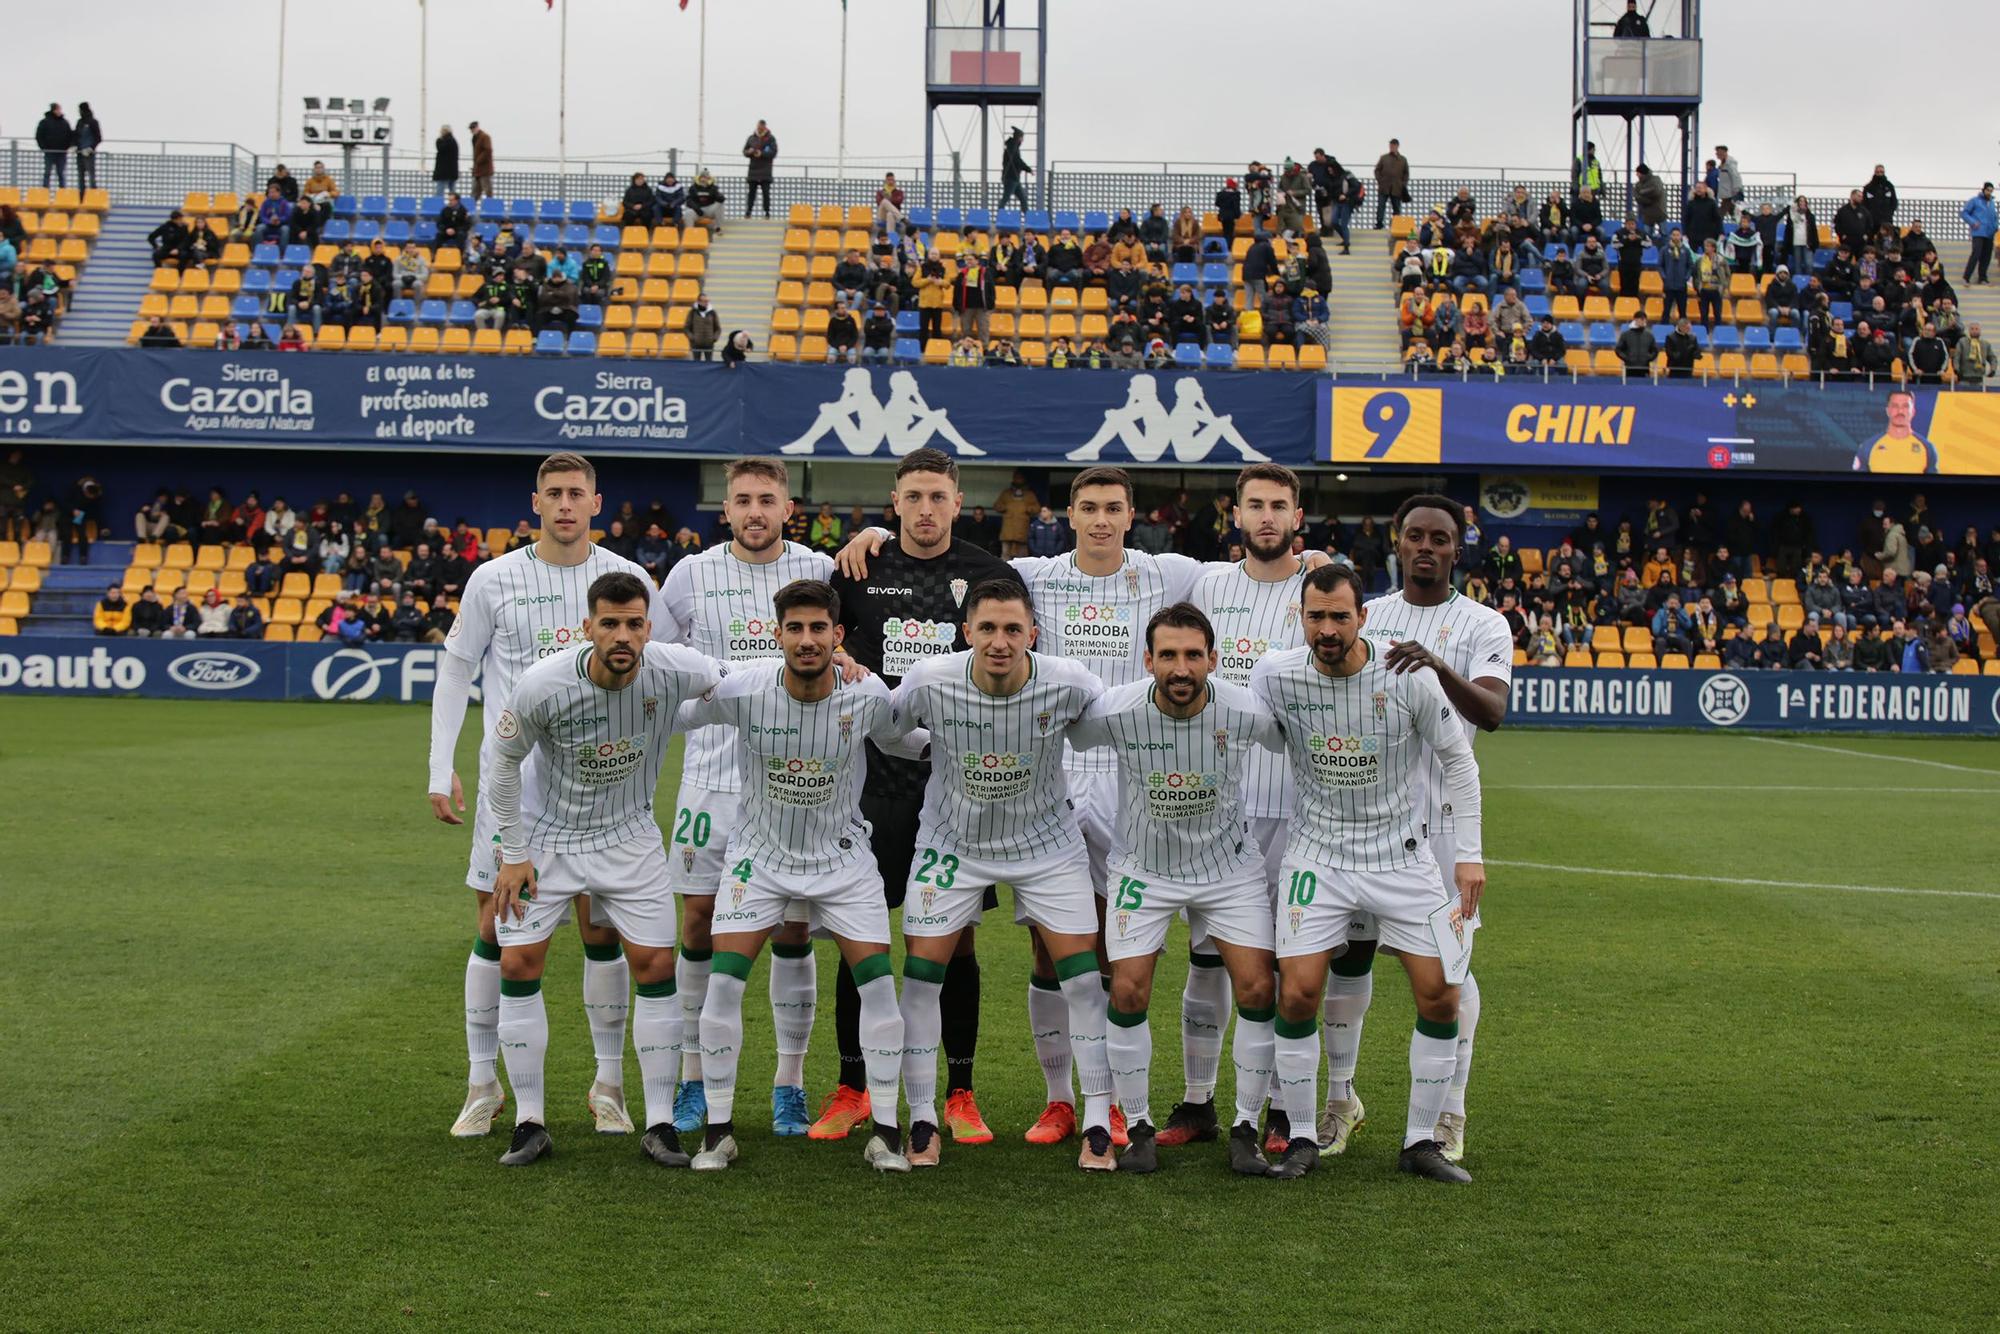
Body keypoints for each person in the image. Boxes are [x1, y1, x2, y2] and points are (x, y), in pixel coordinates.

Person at [427, 453, 662, 1142]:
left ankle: (608, 1085)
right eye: (554, 493)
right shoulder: (493, 578)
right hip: (516, 793)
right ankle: (482, 1083)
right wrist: (441, 768)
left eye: (576, 493)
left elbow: (658, 677)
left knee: (601, 932)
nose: (565, 504)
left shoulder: (627, 579)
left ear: (598, 502)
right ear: (536, 502)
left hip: (601, 795)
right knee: (497, 933)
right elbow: (457, 670)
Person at [792, 450, 1025, 1145]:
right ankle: (853, 1087)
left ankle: (959, 1092)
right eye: (914, 496)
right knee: (858, 940)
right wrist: (840, 659)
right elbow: (817, 637)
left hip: (954, 789)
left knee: (954, 946)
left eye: (939, 496)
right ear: (895, 501)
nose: (926, 509)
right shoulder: (859, 568)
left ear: (959, 502)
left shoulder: (991, 575)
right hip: (866, 785)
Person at [673, 579, 918, 1173]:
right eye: (795, 628)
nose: (806, 640)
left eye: (818, 629)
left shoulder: (866, 693)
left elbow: (907, 743)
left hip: (843, 860)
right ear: (777, 633)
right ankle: (719, 1132)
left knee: (879, 988)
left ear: (839, 636)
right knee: (725, 984)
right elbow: (676, 714)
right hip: (758, 859)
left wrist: (975, 731)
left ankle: (886, 1132)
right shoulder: (744, 688)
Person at [1251, 563, 1485, 1184]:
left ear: (1364, 616)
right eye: (1316, 616)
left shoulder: (1407, 676)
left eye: (1340, 616)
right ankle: (1301, 1134)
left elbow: (1458, 762)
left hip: (1402, 859)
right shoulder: (1275, 675)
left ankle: (1420, 1142)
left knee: (1441, 994)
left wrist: (1470, 853)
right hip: (1317, 857)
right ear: (1300, 617)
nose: (1327, 629)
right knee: (1297, 993)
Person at [482, 571, 722, 1169]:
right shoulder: (542, 684)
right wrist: (513, 853)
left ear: (649, 627)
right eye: (609, 623)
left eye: (635, 623)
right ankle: (528, 1121)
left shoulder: (674, 667)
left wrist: (835, 666)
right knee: (517, 960)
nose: (623, 635)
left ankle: (661, 1123)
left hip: (630, 836)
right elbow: (502, 762)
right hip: (549, 838)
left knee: (655, 964)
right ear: (587, 627)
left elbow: (738, 684)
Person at [887, 580, 1113, 1169]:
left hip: (1047, 846)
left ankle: (1094, 1120)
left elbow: (1102, 727)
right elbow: (890, 731)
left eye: (1013, 629)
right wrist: (930, 751)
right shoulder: (930, 679)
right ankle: (921, 1120)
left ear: (1033, 634)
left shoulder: (1069, 680)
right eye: (987, 628)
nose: (1000, 641)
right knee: (920, 978)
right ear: (966, 633)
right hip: (951, 845)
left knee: (1084, 980)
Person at [1065, 602, 1285, 1176]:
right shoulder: (1116, 710)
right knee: (1129, 991)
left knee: (1259, 988)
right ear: (1148, 660)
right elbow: (1066, 733)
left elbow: (1298, 743)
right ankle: (1137, 1128)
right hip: (1143, 869)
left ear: (1213, 658)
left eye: (1193, 655)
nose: (1181, 668)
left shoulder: (1243, 709)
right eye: (1168, 655)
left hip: (1228, 870)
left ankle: (1244, 1127)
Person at [649, 458, 835, 1136]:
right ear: (724, 510)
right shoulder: (690, 576)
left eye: (767, 499)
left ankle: (789, 1081)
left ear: (788, 507)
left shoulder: (820, 569)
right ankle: (694, 1078)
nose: (755, 511)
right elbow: (660, 671)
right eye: (742, 501)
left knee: (791, 927)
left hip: (795, 781)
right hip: (712, 779)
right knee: (698, 923)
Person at [742, 119, 778, 218]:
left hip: (766, 171)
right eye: (759, 126)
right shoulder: (751, 138)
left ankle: (767, 212)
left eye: (762, 127)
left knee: (766, 193)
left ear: (765, 127)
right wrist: (749, 152)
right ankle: (748, 211)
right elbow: (744, 151)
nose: (760, 128)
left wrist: (762, 154)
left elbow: (773, 153)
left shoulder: (771, 139)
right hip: (753, 170)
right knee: (751, 193)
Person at [1373, 138, 1410, 230]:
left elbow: (1406, 173)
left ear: (1397, 146)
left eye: (1393, 145)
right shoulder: (1384, 157)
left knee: (1396, 208)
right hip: (1384, 187)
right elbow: (1377, 170)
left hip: (1397, 188)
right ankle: (1379, 224)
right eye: (1390, 145)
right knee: (1381, 206)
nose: (1392, 147)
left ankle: (1395, 225)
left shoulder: (1403, 159)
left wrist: (1403, 184)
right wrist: (1380, 180)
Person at [36, 104, 72, 188]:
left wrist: (66, 147)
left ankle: (62, 192)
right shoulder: (45, 122)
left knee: (61, 173)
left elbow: (70, 136)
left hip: (61, 153)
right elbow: (39, 136)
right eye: (58, 109)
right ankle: (45, 191)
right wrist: (44, 148)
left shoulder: (64, 122)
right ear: (54, 110)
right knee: (47, 172)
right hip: (49, 152)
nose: (60, 111)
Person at [999, 127, 1031, 211]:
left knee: (1023, 199)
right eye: (1022, 137)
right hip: (1011, 178)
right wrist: (1028, 169)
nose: (1022, 140)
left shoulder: (1012, 147)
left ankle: (1028, 218)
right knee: (1006, 198)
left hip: (1014, 178)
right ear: (1018, 137)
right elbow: (1017, 161)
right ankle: (999, 215)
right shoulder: (1013, 147)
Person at [469, 122, 494, 201]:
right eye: (471, 129)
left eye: (473, 128)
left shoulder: (485, 137)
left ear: (477, 127)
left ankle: (490, 208)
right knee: (475, 192)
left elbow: (488, 150)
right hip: (477, 170)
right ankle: (471, 210)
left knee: (487, 191)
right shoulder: (475, 138)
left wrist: (478, 160)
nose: (472, 130)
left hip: (484, 169)